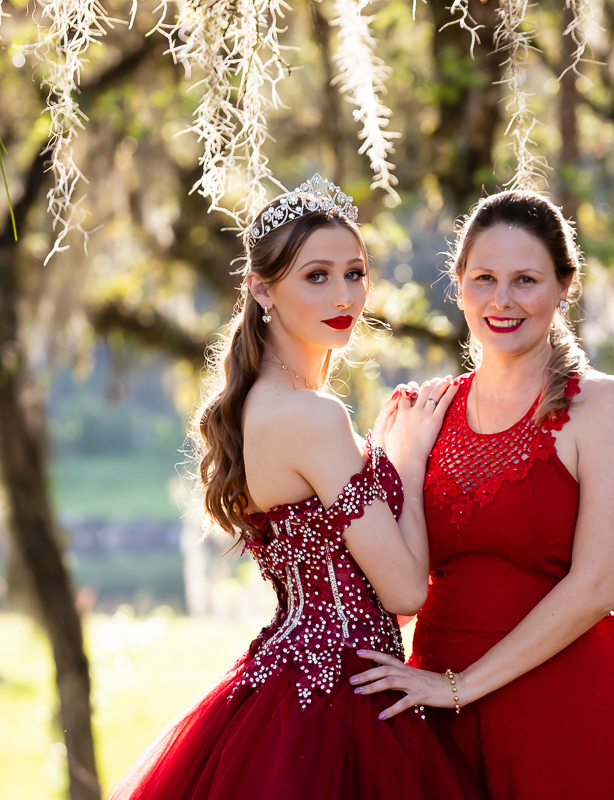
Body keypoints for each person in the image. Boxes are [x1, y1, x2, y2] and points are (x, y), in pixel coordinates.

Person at [105, 175, 479, 800]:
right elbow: (407, 590)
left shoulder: (267, 403)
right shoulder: (313, 416)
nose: (344, 295)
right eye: (316, 275)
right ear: (261, 290)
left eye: (355, 273)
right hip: (343, 698)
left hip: (290, 678)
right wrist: (407, 462)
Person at [350, 190, 614, 799]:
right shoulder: (423, 412)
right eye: (485, 278)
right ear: (459, 284)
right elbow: (395, 587)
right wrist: (405, 459)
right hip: (433, 709)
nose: (502, 300)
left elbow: (598, 586)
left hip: (560, 708)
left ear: (564, 287)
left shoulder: (602, 407)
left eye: (526, 280)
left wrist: (461, 685)